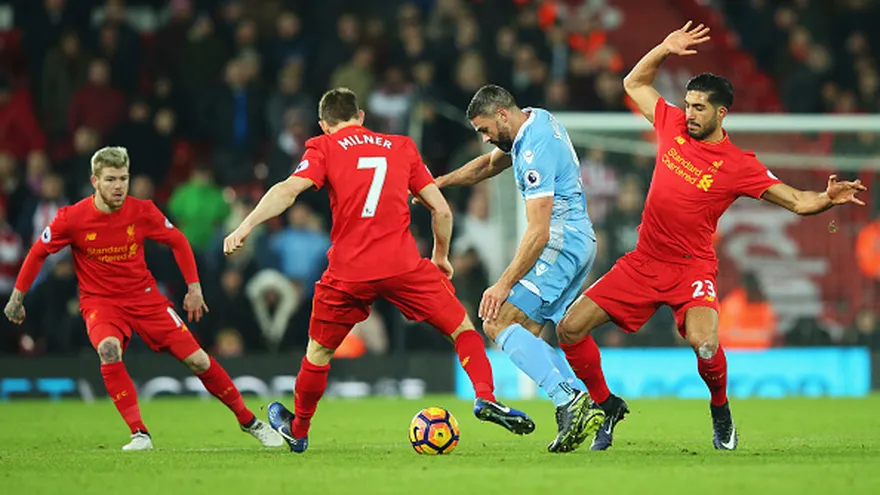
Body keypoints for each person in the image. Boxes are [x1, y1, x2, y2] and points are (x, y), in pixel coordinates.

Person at [555, 22, 867, 451]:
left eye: (700, 107)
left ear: (722, 113)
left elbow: (797, 201)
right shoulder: (671, 125)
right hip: (644, 262)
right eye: (688, 104)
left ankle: (720, 410)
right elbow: (633, 82)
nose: (690, 113)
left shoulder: (739, 165)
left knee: (704, 344)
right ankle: (607, 405)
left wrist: (829, 198)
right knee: (570, 328)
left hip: (691, 270)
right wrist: (664, 47)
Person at [223, 88, 534, 454]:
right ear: (362, 116)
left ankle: (300, 429)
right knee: (462, 329)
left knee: (318, 353)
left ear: (324, 125)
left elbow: (288, 190)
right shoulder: (401, 146)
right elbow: (442, 211)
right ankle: (485, 396)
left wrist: (245, 226)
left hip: (348, 270)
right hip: (402, 264)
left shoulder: (324, 147)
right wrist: (440, 257)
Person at [4, 146, 283, 451]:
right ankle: (140, 433)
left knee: (199, 360)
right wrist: (17, 298)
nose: (119, 186)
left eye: (123, 178)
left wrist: (194, 288)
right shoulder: (72, 218)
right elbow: (37, 253)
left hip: (146, 299)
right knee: (108, 350)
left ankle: (249, 422)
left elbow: (178, 241)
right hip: (101, 303)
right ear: (94, 181)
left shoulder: (142, 211)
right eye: (111, 179)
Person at [429, 84, 604, 453]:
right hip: (576, 239)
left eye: (485, 129)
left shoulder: (535, 149)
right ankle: (582, 406)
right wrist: (438, 184)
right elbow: (489, 165)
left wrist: (501, 284)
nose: (485, 138)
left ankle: (569, 398)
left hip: (560, 241)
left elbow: (538, 232)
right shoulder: (534, 120)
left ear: (502, 115)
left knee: (496, 319)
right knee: (524, 330)